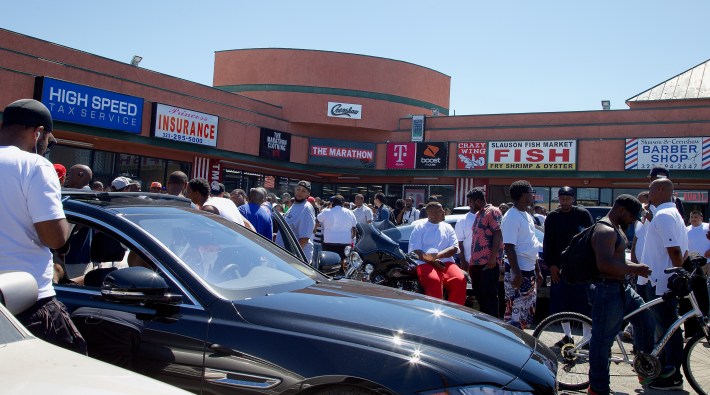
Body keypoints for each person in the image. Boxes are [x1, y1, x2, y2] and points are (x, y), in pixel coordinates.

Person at [0, 98, 86, 353]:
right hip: (26, 303)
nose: (46, 147)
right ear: (38, 133)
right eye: (47, 140)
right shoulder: (35, 165)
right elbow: (54, 238)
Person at [587, 194, 654, 395]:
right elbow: (605, 264)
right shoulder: (605, 230)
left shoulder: (618, 230)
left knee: (646, 321)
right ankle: (598, 388)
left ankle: (642, 366)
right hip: (606, 289)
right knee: (602, 341)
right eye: (632, 216)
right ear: (622, 210)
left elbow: (619, 261)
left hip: (622, 288)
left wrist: (636, 267)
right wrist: (635, 269)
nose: (633, 221)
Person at [640, 177, 689, 390]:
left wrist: (677, 276)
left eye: (650, 189)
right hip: (658, 280)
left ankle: (671, 374)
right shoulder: (668, 214)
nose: (648, 193)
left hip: (660, 282)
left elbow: (676, 251)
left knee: (668, 330)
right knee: (664, 329)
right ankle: (666, 370)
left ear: (660, 190)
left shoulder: (665, 215)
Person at [543, 186, 594, 318]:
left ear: (573, 199)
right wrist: (552, 265)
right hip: (559, 269)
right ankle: (567, 335)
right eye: (562, 199)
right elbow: (548, 243)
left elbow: (591, 240)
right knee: (560, 303)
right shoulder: (552, 217)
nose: (564, 202)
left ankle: (587, 335)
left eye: (567, 199)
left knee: (583, 303)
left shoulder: (583, 215)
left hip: (580, 268)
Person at [500, 180, 543, 330]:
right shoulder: (511, 216)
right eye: (532, 192)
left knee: (525, 313)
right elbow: (509, 247)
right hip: (519, 271)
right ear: (524, 195)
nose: (533, 195)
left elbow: (531, 242)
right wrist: (516, 273)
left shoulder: (527, 215)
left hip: (529, 270)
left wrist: (537, 270)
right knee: (515, 316)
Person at [408, 202, 466, 305]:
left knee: (460, 280)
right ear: (431, 213)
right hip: (424, 262)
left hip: (446, 263)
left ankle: (454, 313)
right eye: (440, 210)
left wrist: (437, 256)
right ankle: (435, 313)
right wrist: (432, 260)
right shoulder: (420, 227)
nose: (444, 212)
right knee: (434, 281)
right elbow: (416, 251)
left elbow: (454, 248)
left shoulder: (448, 227)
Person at [467, 187, 505, 317]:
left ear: (477, 201)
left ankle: (494, 327)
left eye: (470, 202)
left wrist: (493, 257)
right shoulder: (478, 214)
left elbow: (498, 233)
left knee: (490, 297)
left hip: (488, 263)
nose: (469, 205)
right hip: (476, 263)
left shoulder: (493, 211)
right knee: (481, 297)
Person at [185, 178, 254, 231]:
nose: (186, 196)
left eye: (188, 192)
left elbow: (206, 234)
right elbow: (248, 225)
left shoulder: (208, 209)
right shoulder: (227, 201)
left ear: (196, 193)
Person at [276, 181, 316, 263]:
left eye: (303, 191)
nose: (300, 192)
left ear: (308, 194)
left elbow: (305, 238)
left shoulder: (306, 209)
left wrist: (293, 256)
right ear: (295, 190)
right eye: (298, 189)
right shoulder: (295, 205)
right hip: (286, 255)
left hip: (295, 259)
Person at [317, 195, 357, 261]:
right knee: (343, 263)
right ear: (343, 203)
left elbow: (318, 220)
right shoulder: (350, 213)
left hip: (329, 242)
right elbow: (354, 228)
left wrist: (315, 230)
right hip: (345, 242)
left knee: (328, 262)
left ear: (333, 202)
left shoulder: (326, 211)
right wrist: (352, 239)